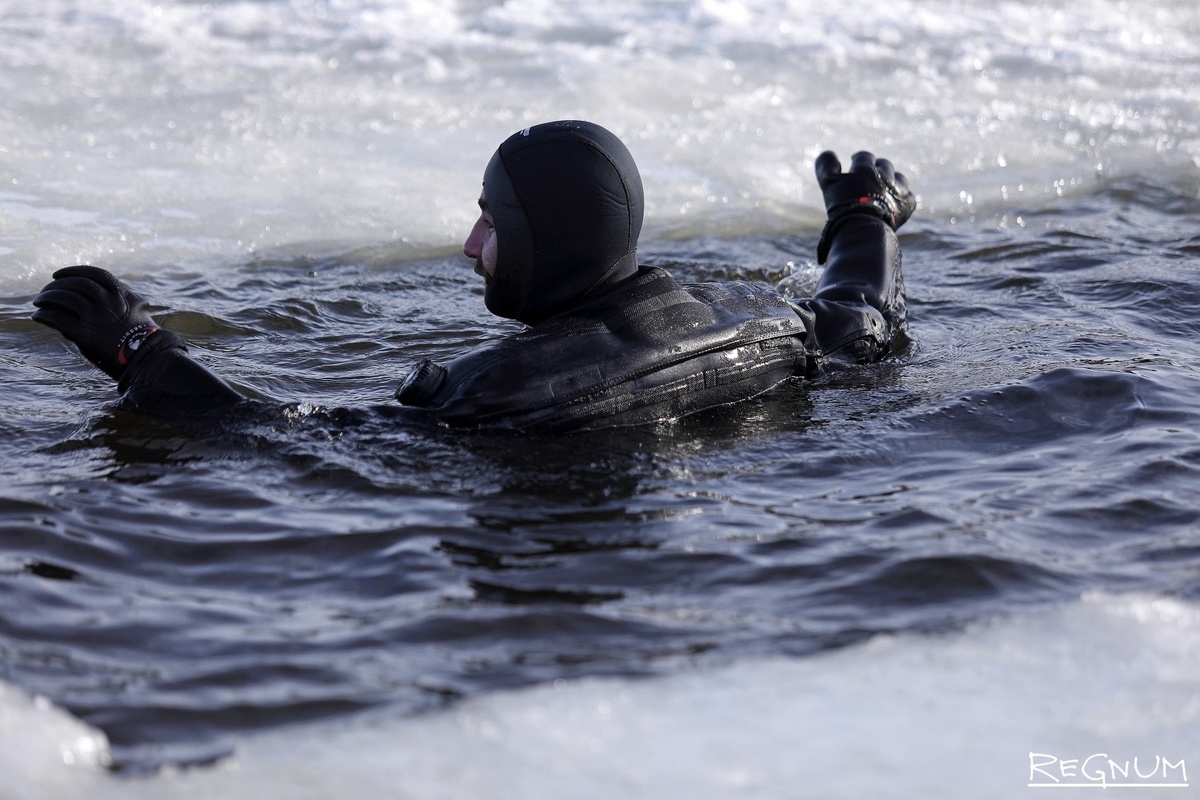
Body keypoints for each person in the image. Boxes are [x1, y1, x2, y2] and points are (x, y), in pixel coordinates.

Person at [32, 120, 915, 432]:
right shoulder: (764, 316)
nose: (466, 242)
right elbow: (862, 311)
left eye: (492, 220)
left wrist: (138, 349)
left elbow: (277, 440)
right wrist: (864, 215)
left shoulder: (488, 393)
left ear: (543, 239)